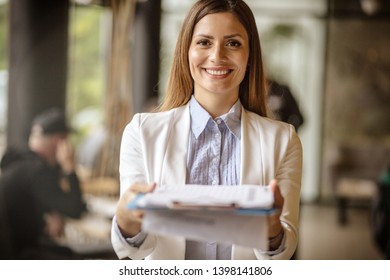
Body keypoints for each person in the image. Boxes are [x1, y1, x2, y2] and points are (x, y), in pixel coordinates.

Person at [111, 0, 302, 260]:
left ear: (249, 57)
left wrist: (271, 231)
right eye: (204, 42)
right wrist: (125, 220)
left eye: (233, 43)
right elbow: (133, 249)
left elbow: (283, 252)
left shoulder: (283, 140)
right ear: (186, 52)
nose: (217, 56)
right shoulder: (142, 133)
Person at [0, 107, 86, 259]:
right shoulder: (38, 170)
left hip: (15, 248)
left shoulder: (20, 161)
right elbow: (75, 209)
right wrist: (69, 168)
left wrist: (55, 212)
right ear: (59, 141)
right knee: (79, 258)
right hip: (19, 255)